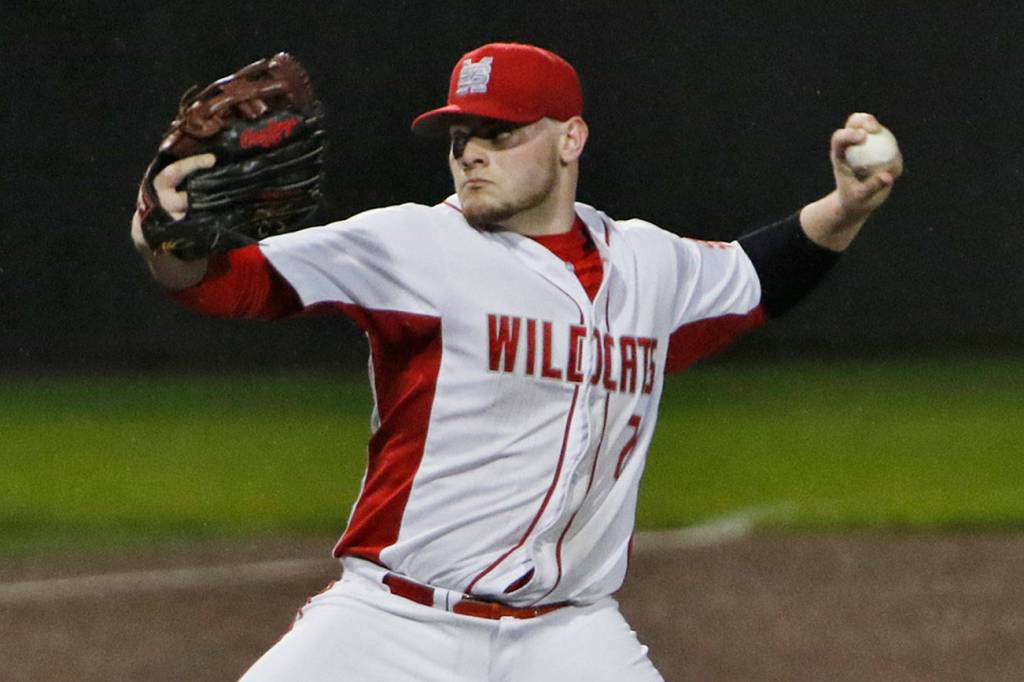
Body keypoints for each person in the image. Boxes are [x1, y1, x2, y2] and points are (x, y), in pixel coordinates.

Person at [131, 42, 902, 682]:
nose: (470, 152)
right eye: (460, 136)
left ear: (571, 139)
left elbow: (760, 275)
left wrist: (848, 207)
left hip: (569, 636)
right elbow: (225, 283)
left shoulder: (649, 264)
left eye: (499, 134)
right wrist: (163, 232)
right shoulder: (414, 246)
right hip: (394, 625)